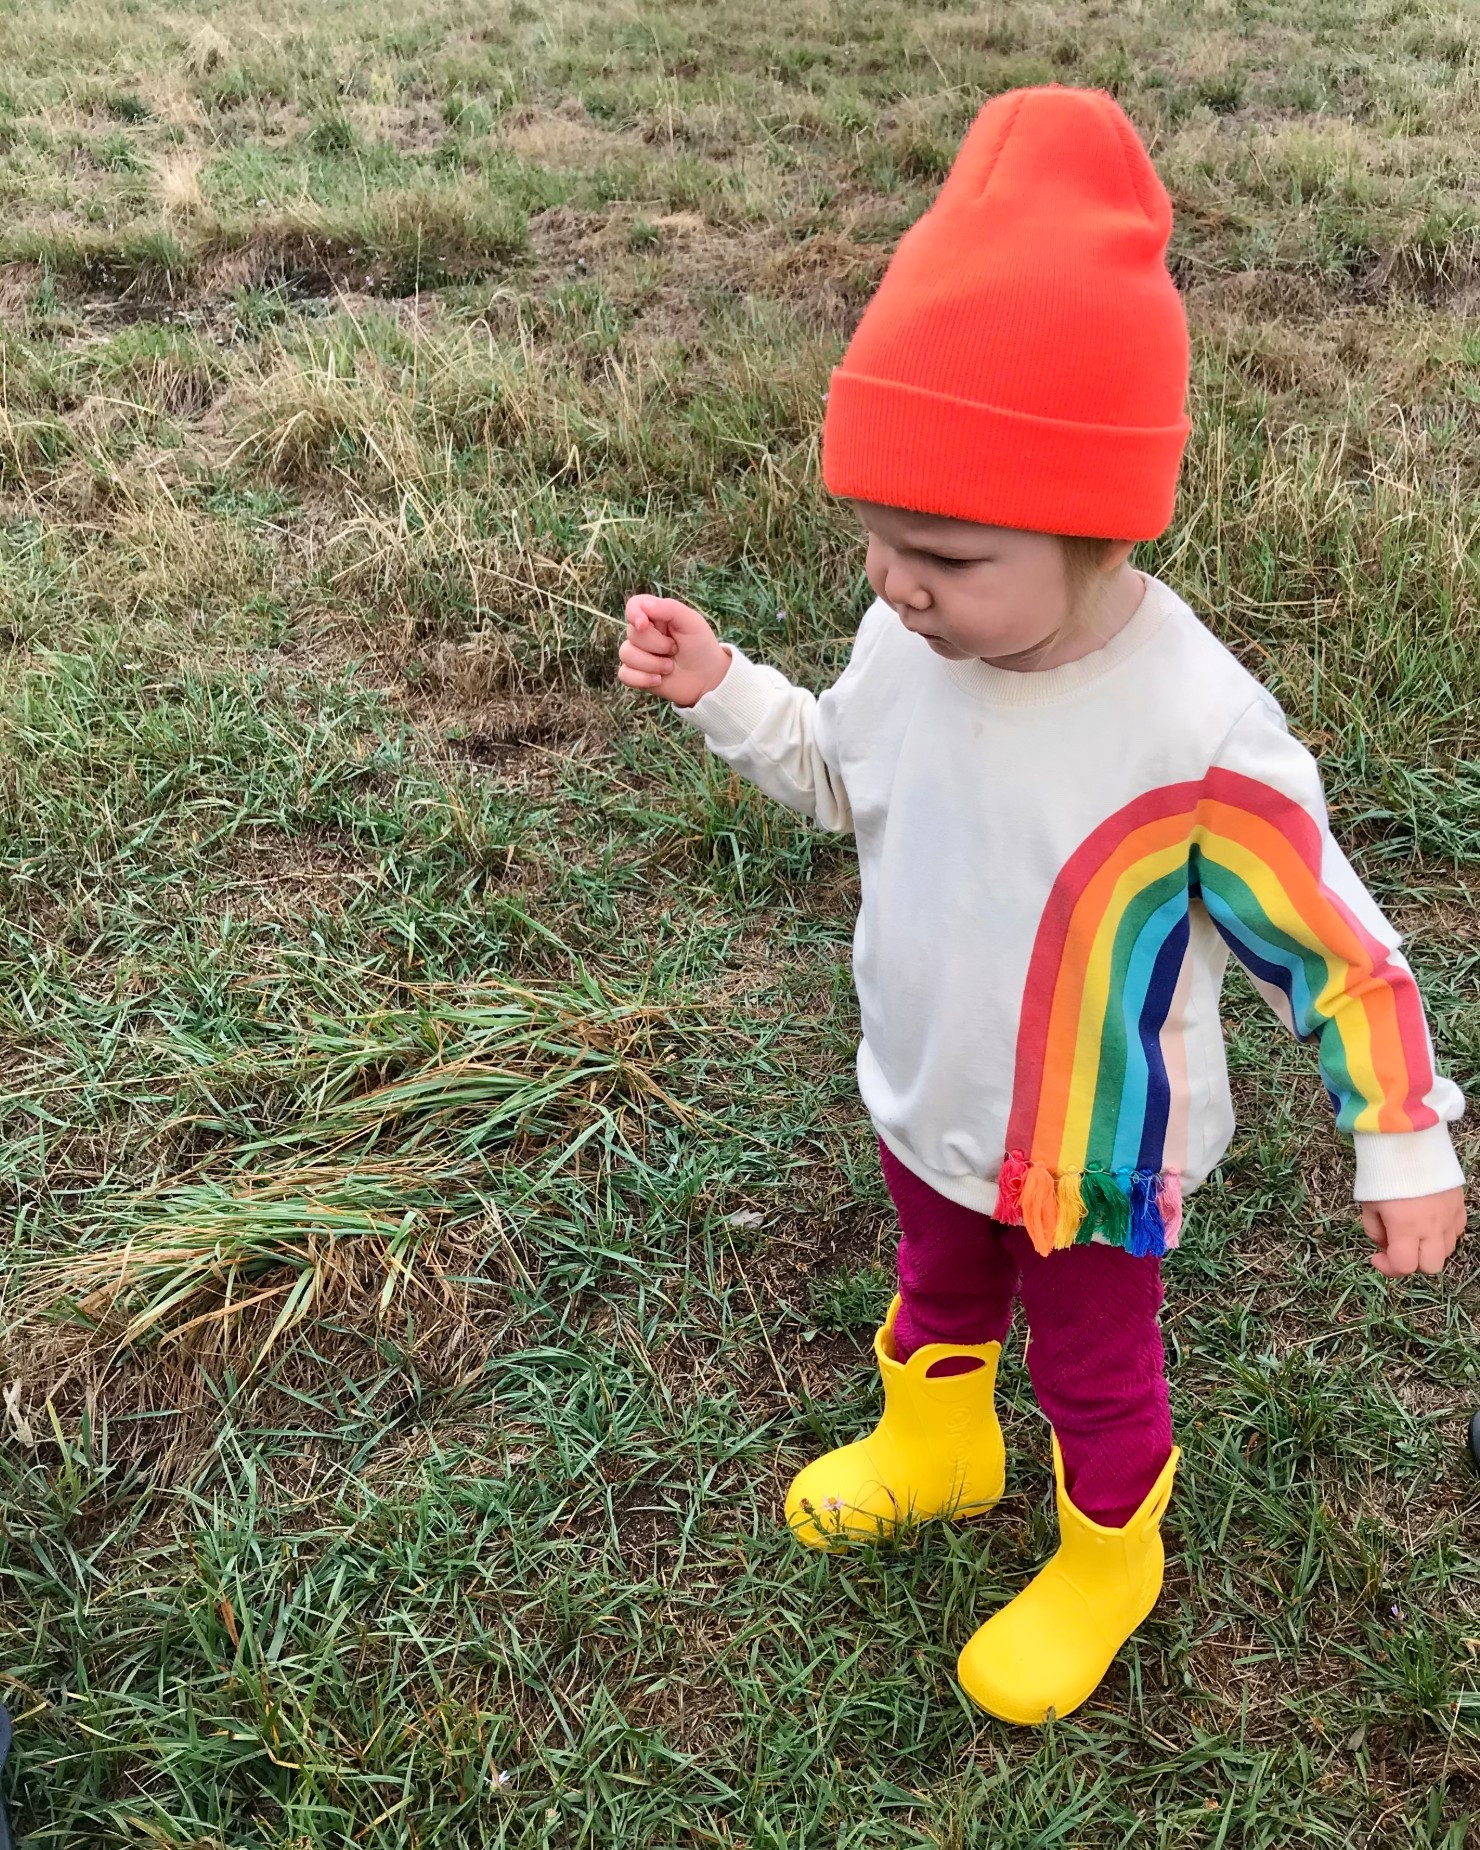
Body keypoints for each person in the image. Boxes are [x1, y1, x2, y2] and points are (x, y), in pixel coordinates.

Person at [614, 86, 1467, 1725]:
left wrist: (1405, 1135)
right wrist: (726, 689)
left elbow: (1338, 950)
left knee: (1092, 1361)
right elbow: (845, 780)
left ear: (1100, 526)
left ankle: (1106, 1551)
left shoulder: (1195, 733)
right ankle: (939, 1435)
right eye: (872, 540)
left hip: (1089, 1150)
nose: (895, 586)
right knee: (936, 1282)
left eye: (940, 553)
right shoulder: (907, 644)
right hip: (928, 1091)